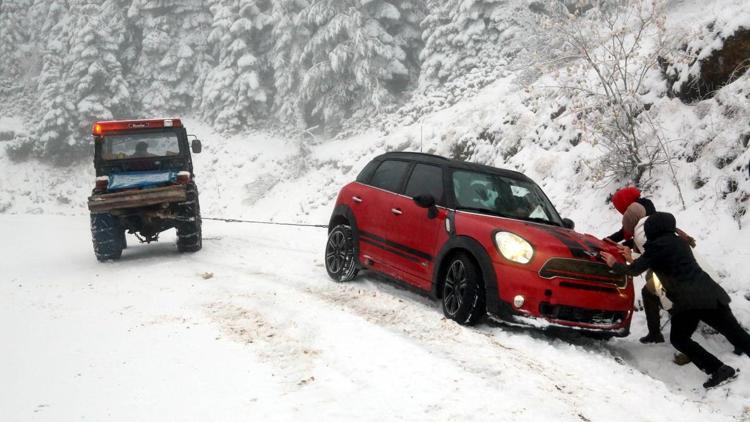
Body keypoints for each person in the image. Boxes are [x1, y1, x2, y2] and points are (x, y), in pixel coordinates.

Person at [601, 212, 750, 388]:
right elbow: (660, 260)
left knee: (679, 339)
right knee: (736, 334)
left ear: (652, 230)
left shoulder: (656, 247)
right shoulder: (680, 242)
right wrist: (631, 255)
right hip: (711, 294)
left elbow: (635, 270)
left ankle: (718, 369)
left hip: (688, 302)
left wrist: (614, 263)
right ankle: (720, 369)